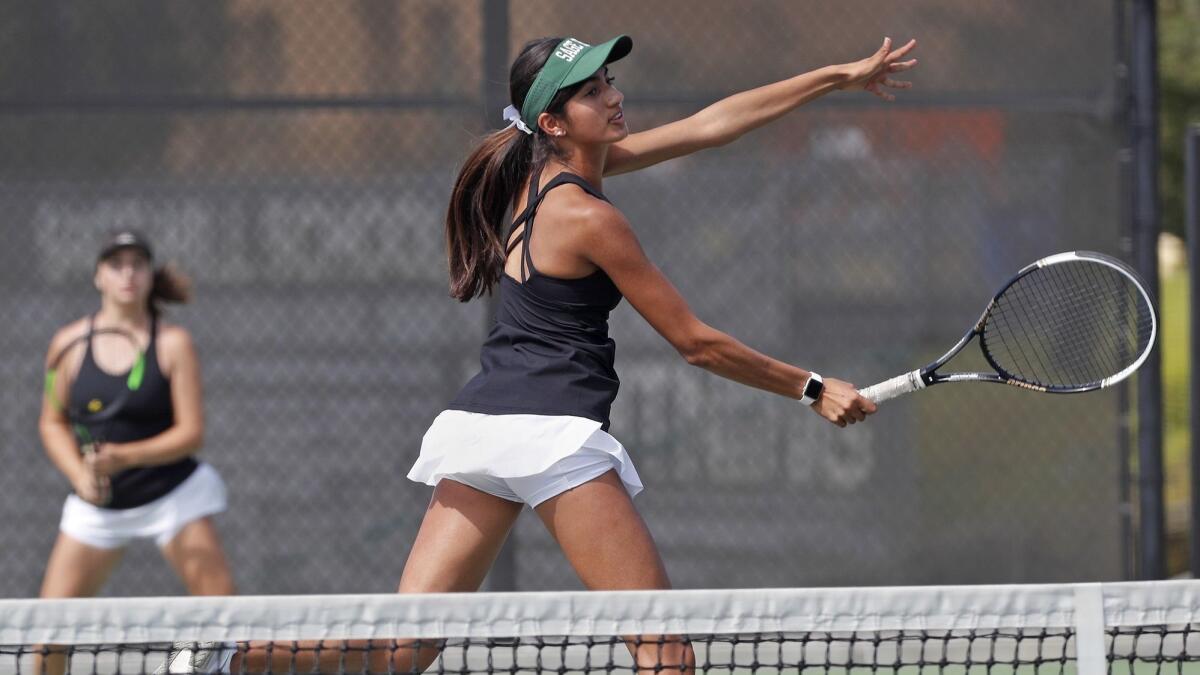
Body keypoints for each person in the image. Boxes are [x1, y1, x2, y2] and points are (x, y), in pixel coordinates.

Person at [165, 32, 915, 674]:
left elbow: (712, 124)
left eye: (609, 80)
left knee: (402, 653)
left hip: (481, 426)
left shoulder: (540, 181)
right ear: (554, 121)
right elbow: (695, 343)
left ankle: (233, 658)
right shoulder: (590, 217)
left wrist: (835, 78)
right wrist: (812, 386)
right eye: (591, 92)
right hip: (549, 434)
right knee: (665, 658)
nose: (613, 96)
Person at [36, 231, 235, 674]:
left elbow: (191, 433)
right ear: (98, 277)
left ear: (149, 275)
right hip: (98, 507)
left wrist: (123, 456)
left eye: (137, 264)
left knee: (226, 622)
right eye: (116, 264)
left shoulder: (173, 343)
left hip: (174, 497)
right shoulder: (66, 345)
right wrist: (79, 473)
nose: (127, 273)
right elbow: (51, 422)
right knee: (44, 635)